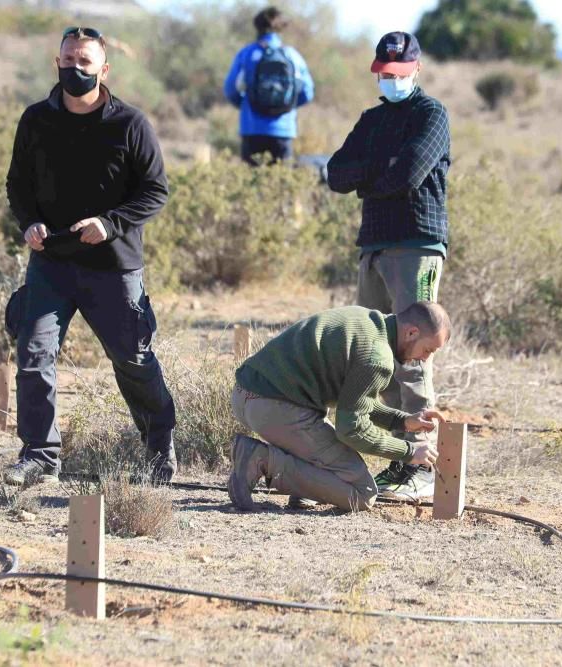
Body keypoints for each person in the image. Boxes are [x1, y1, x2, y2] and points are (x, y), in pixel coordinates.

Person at [3, 27, 177, 486]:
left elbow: (156, 191)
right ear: (55, 62)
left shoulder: (130, 124)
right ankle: (40, 456)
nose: (75, 69)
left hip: (113, 267)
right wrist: (28, 222)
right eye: (68, 60)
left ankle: (159, 443)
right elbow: (17, 184)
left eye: (85, 62)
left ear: (104, 69)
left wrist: (111, 223)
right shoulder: (36, 120)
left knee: (133, 359)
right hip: (51, 263)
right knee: (33, 353)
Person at [325, 31, 451, 500]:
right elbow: (337, 174)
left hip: (416, 243)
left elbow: (410, 173)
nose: (391, 80)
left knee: (414, 356)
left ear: (416, 69)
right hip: (373, 245)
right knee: (376, 354)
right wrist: (381, 168)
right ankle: (400, 461)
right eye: (384, 74)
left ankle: (423, 465)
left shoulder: (431, 114)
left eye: (399, 74)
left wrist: (370, 172)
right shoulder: (372, 119)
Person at [228, 302, 450, 513]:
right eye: (428, 350)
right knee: (362, 493)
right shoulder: (377, 357)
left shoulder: (365, 320)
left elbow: (355, 401)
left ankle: (304, 488)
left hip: (245, 395)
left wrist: (402, 421)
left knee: (332, 461)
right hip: (275, 407)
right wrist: (409, 452)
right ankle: (262, 460)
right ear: (411, 333)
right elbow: (351, 429)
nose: (424, 359)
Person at [223, 6, 315, 165]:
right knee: (280, 184)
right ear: (281, 29)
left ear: (257, 28)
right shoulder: (292, 56)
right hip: (283, 130)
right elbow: (307, 92)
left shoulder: (247, 54)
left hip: (252, 129)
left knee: (252, 183)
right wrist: (288, 105)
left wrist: (247, 105)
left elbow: (230, 90)